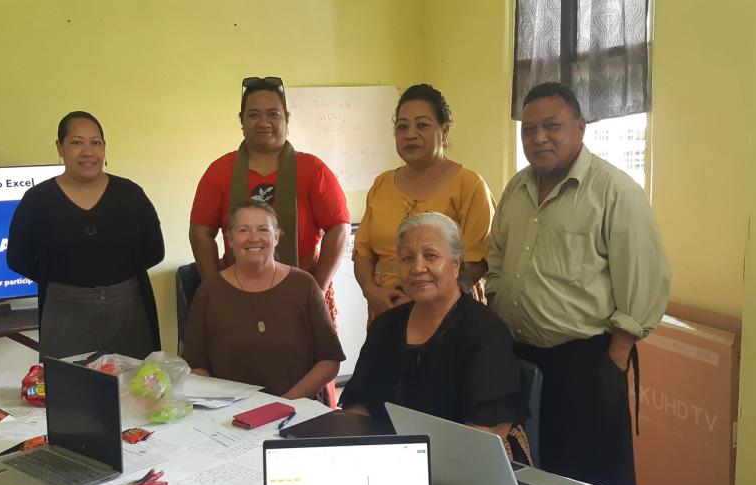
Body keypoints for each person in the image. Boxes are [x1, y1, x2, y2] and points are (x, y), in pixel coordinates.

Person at [485, 82, 670, 485]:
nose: (539, 138)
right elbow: (496, 258)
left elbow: (645, 282)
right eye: (529, 129)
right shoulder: (517, 187)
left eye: (552, 126)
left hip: (586, 363)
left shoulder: (614, 192)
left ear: (581, 126)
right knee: (529, 479)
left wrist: (614, 359)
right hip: (519, 359)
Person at [341, 212, 530, 462]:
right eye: (408, 258)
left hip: (464, 465)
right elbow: (358, 407)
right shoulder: (385, 326)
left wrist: (415, 468)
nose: (418, 268)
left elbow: (486, 433)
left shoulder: (484, 332)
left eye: (430, 256)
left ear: (455, 264)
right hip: (387, 460)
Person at [190, 76, 350, 323]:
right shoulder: (220, 170)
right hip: (236, 291)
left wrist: (318, 286)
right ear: (241, 121)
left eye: (273, 114)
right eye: (253, 115)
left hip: (304, 288)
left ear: (286, 118)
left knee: (307, 361)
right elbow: (200, 231)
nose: (264, 122)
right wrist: (215, 287)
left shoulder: (312, 169)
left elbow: (339, 226)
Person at [7, 111, 165, 359]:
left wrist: (114, 283)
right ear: (60, 148)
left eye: (96, 142)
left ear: (104, 147)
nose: (88, 152)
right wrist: (63, 281)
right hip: (64, 313)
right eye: (76, 142)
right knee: (70, 390)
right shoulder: (38, 200)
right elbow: (17, 258)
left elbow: (155, 250)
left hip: (129, 312)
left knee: (138, 390)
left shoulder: (131, 194)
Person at [353, 84, 494, 322]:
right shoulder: (382, 184)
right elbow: (362, 252)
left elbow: (476, 261)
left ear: (445, 131)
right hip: (385, 311)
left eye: (422, 125)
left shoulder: (469, 184)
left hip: (447, 315)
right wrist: (372, 291)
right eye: (402, 127)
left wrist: (419, 297)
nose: (410, 134)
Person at [181, 199, 344, 399]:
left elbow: (330, 360)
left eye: (263, 229)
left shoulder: (303, 285)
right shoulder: (210, 291)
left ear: (276, 237)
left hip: (297, 408)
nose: (254, 238)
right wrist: (222, 405)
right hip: (229, 416)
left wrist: (286, 403)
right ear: (230, 239)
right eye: (243, 230)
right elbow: (195, 366)